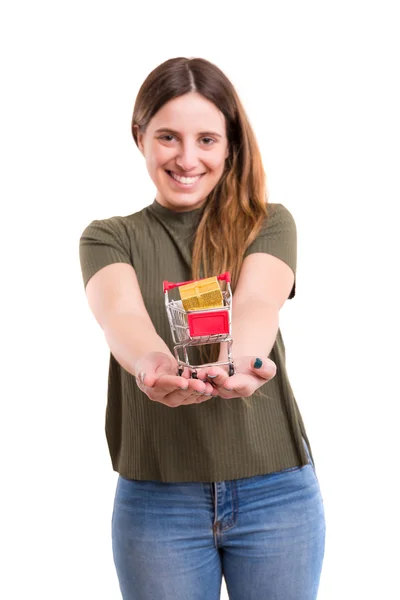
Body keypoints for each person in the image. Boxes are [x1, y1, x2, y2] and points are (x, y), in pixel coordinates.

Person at [79, 57, 326, 600]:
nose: (187, 159)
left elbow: (260, 301)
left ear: (230, 145)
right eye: (168, 137)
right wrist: (152, 365)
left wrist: (239, 362)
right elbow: (119, 314)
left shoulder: (269, 222)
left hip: (275, 492)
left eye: (207, 140)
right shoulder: (107, 238)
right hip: (157, 502)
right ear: (139, 137)